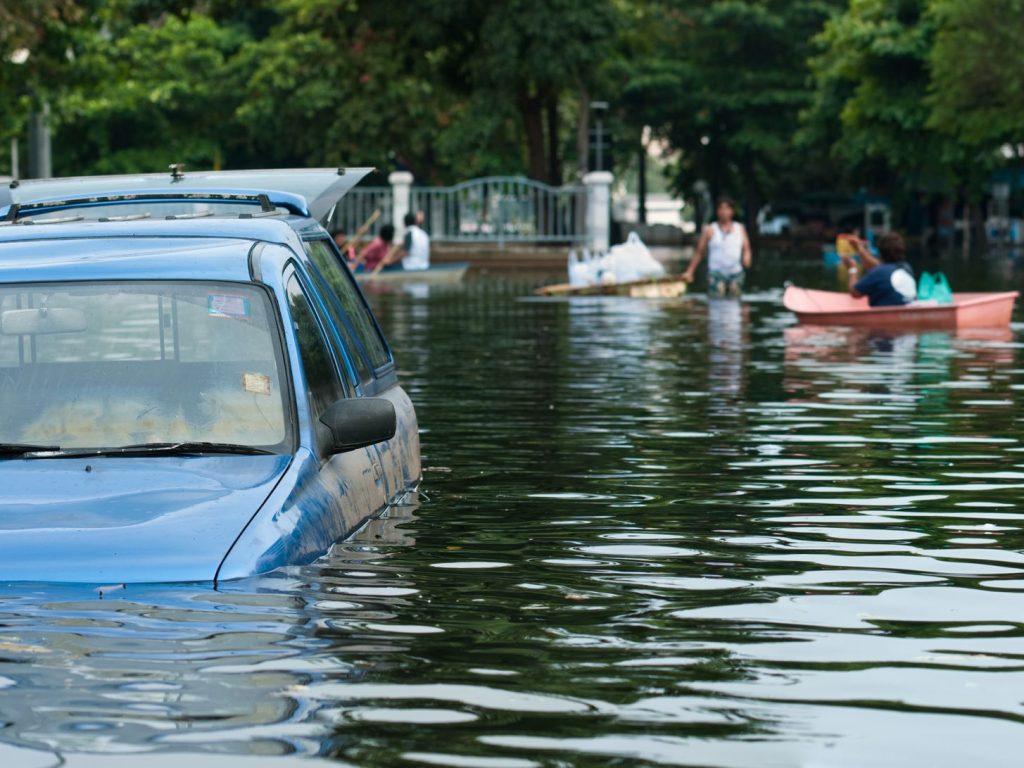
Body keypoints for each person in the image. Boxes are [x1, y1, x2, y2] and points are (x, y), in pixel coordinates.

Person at [682, 197, 752, 296]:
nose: (724, 212)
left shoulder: (739, 228)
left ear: (732, 211)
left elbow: (746, 248)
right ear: (717, 211)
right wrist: (690, 271)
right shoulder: (710, 230)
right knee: (717, 297)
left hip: (735, 272)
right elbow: (699, 252)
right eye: (721, 209)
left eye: (727, 209)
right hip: (716, 273)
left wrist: (747, 258)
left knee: (735, 298)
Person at [840, 231, 916, 306]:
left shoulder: (879, 272)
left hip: (887, 315)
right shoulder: (907, 268)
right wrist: (859, 248)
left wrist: (852, 269)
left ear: (880, 253)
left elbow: (855, 292)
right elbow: (879, 267)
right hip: (908, 312)